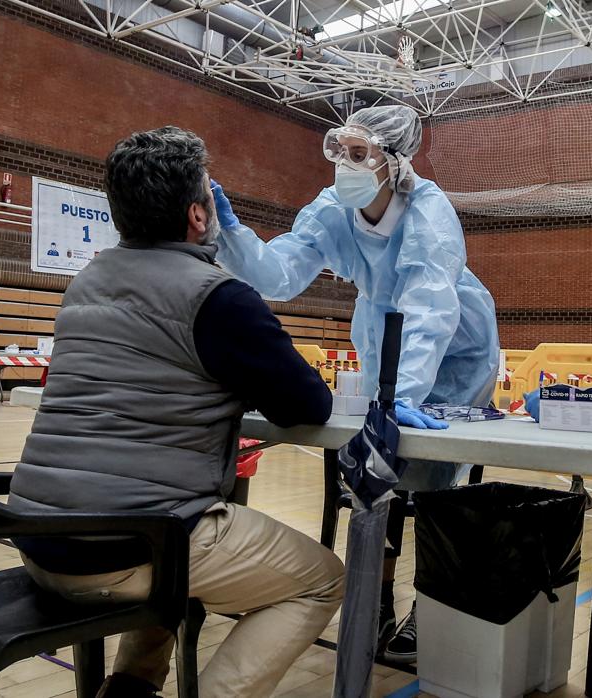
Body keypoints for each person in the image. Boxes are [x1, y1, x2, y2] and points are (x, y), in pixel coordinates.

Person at [8, 127, 344, 698]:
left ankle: (130, 690)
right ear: (197, 215)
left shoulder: (86, 283)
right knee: (319, 581)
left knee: (177, 517)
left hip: (37, 535)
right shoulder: (218, 297)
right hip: (127, 551)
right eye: (211, 197)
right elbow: (307, 405)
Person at [211, 104, 500, 663]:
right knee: (379, 478)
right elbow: (280, 276)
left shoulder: (430, 213)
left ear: (394, 161)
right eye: (338, 149)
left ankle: (428, 609)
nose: (344, 163)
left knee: (437, 486)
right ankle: (375, 602)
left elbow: (429, 312)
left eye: (360, 152)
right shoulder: (330, 209)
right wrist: (233, 235)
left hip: (455, 348)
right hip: (383, 335)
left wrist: (403, 396)